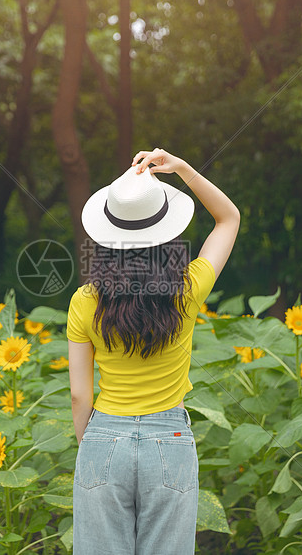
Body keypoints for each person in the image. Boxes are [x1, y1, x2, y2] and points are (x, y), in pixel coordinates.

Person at [66, 148, 239, 554]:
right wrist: (182, 169)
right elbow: (229, 218)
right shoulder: (188, 288)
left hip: (104, 436)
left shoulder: (84, 301)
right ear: (169, 234)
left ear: (106, 237)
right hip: (171, 438)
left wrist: (93, 445)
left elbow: (79, 395)